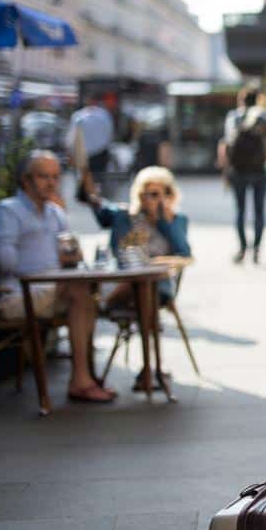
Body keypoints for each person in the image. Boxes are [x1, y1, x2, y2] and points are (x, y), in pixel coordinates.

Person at [0, 150, 117, 404]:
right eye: (43, 177)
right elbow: (6, 262)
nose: (51, 183)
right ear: (26, 180)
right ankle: (82, 380)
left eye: (55, 177)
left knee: (87, 290)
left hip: (49, 290)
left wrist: (71, 256)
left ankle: (85, 376)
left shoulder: (55, 212)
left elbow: (68, 257)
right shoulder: (9, 211)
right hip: (17, 295)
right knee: (79, 293)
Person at [82, 165, 191, 391]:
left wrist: (163, 220)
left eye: (165, 193)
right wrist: (88, 186)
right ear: (140, 194)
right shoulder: (124, 215)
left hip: (158, 286)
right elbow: (100, 212)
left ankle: (110, 301)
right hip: (125, 279)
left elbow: (184, 253)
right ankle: (151, 370)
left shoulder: (177, 220)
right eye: (152, 194)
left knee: (144, 287)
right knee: (138, 286)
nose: (158, 199)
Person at [217, 89, 266, 264]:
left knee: (240, 210)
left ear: (241, 101)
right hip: (260, 170)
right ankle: (257, 249)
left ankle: (242, 249)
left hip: (238, 169)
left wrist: (225, 169)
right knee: (259, 211)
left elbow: (225, 144)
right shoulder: (263, 116)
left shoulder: (233, 117)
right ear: (257, 100)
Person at [67, 95, 115, 203]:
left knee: (84, 173)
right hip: (100, 151)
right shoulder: (104, 115)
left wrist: (70, 151)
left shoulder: (78, 116)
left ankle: (86, 194)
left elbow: (71, 136)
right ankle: (94, 194)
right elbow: (110, 134)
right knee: (97, 175)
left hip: (83, 152)